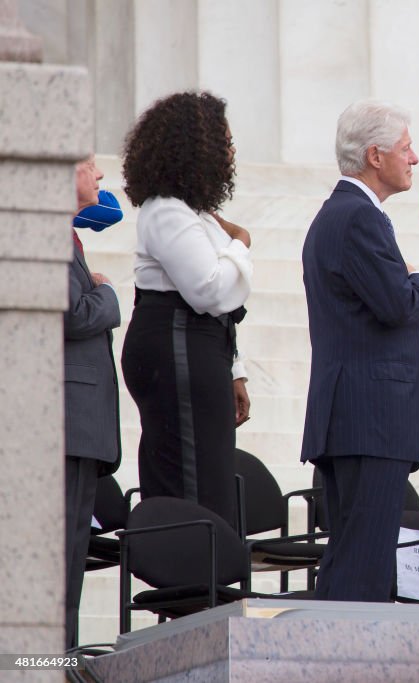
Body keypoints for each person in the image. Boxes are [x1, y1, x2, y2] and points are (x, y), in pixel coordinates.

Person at [300, 99, 419, 602]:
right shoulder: (357, 216)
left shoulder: (344, 213)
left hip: (357, 416)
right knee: (363, 568)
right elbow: (398, 303)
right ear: (375, 157)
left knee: (357, 558)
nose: (414, 158)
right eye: (406, 148)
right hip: (369, 418)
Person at [120, 91, 252, 529]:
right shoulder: (165, 211)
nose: (231, 154)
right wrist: (241, 244)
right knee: (190, 477)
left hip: (201, 347)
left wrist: (234, 369)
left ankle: (205, 584)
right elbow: (209, 289)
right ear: (198, 149)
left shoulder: (197, 214)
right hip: (175, 346)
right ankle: (190, 588)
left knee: (208, 473)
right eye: (225, 144)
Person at [64, 155, 122, 649]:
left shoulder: (70, 236)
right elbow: (74, 314)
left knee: (69, 564)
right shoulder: (50, 234)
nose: (100, 174)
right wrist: (107, 293)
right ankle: (45, 664)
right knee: (59, 563)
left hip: (81, 426)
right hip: (68, 424)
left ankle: (57, 660)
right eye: (89, 164)